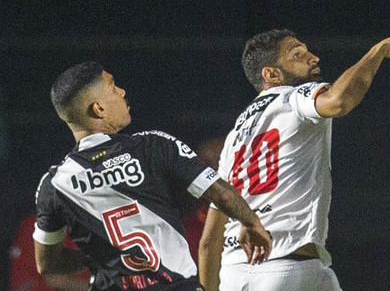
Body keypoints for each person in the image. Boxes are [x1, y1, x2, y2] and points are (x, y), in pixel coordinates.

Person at [201, 31, 390, 291]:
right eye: (298, 55)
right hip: (289, 267)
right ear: (272, 75)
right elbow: (339, 101)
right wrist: (377, 51)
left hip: (232, 274)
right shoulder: (291, 97)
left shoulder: (234, 139)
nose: (313, 58)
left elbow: (209, 242)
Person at [34, 65, 273, 289]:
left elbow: (47, 264)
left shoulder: (54, 184)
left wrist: (97, 256)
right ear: (99, 109)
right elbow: (220, 193)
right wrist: (251, 223)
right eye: (113, 87)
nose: (122, 92)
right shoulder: (152, 146)